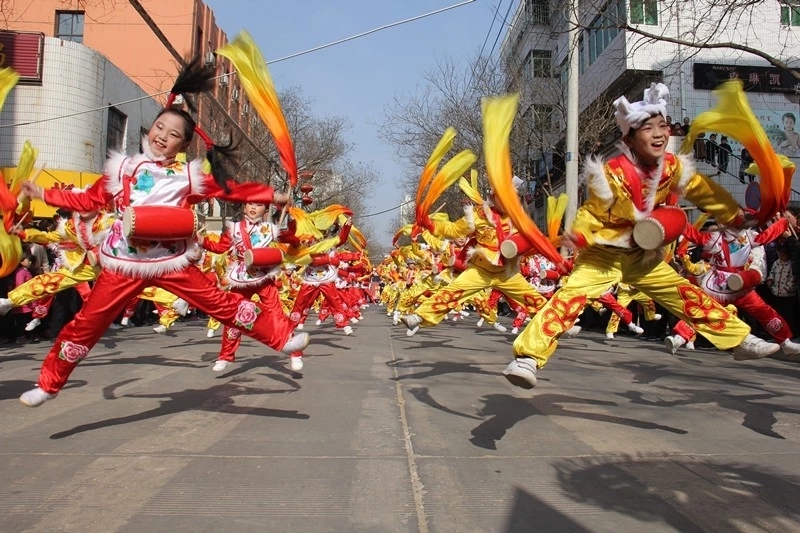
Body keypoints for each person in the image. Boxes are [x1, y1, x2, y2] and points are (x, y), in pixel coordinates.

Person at [15, 61, 308, 407]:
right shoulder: (123, 167)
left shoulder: (187, 175)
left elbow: (230, 190)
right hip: (123, 261)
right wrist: (45, 195)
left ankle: (282, 337)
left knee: (222, 304)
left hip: (172, 260)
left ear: (182, 146)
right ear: (149, 129)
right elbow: (89, 199)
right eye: (159, 127)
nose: (162, 136)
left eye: (172, 134)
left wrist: (271, 196)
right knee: (86, 324)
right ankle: (49, 384)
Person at [503, 83, 779, 390]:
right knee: (570, 298)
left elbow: (703, 190)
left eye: (663, 126)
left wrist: (734, 216)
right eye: (648, 128)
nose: (659, 134)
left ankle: (737, 339)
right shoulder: (611, 174)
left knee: (686, 294)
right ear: (629, 138)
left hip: (642, 256)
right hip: (603, 255)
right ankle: (527, 357)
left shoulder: (671, 167)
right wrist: (579, 236)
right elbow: (591, 214)